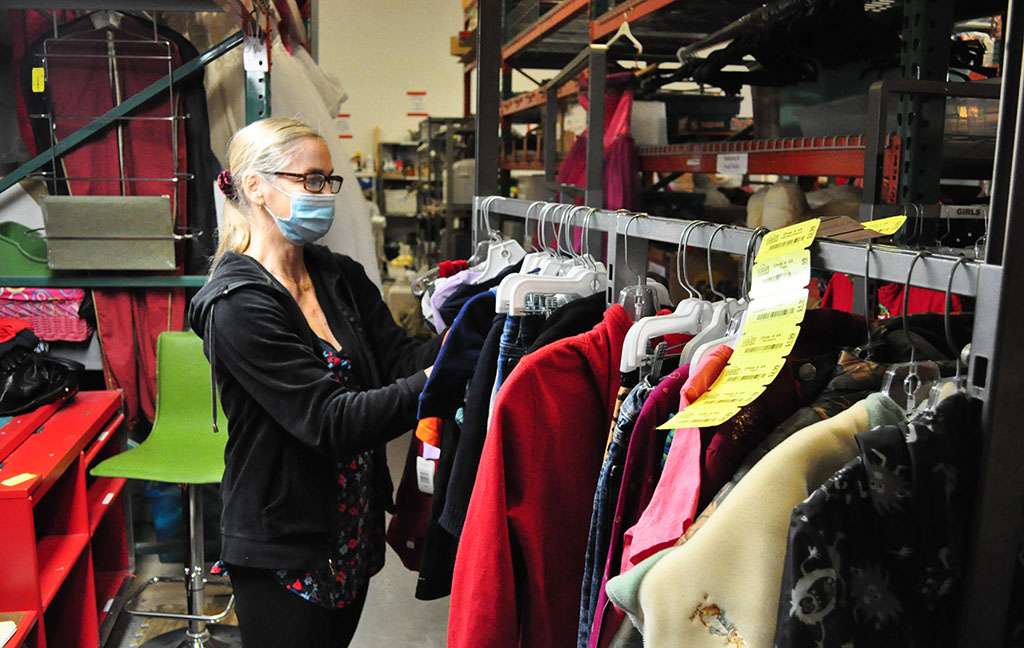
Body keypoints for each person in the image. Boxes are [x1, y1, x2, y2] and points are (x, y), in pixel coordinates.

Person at [189, 117, 441, 647]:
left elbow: (399, 358)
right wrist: (438, 377)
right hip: (283, 543)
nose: (324, 194)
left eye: (329, 180)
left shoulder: (337, 277)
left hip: (350, 530)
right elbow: (331, 421)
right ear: (255, 187)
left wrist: (478, 329)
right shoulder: (238, 306)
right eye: (310, 180)